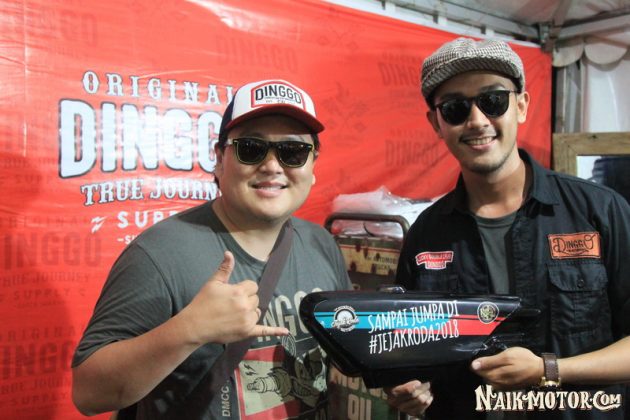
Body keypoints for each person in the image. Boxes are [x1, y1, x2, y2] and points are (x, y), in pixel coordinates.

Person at [71, 79, 431, 419]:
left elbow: (342, 347)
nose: (272, 166)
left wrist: (393, 378)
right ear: (219, 159)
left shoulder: (321, 243)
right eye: (251, 149)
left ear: (313, 166)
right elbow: (89, 393)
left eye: (293, 152)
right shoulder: (159, 254)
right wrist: (188, 330)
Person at [395, 37, 630, 419]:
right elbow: (407, 349)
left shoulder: (599, 211)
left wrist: (548, 370)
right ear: (436, 123)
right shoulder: (426, 234)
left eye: (493, 101)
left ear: (521, 106)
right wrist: (409, 387)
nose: (476, 120)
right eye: (455, 108)